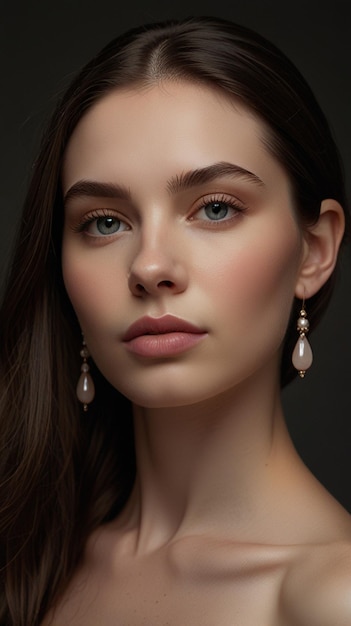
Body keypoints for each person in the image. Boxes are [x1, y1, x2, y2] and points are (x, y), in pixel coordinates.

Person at [0, 15, 350, 626]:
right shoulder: (30, 560)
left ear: (314, 250)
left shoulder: (330, 597)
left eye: (215, 208)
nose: (150, 265)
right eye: (105, 221)